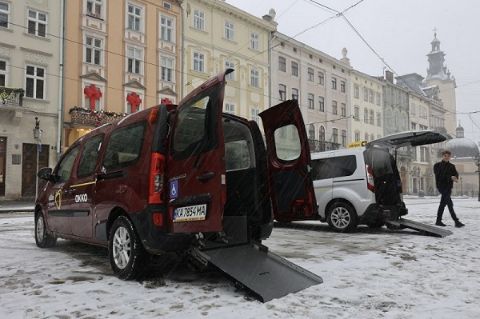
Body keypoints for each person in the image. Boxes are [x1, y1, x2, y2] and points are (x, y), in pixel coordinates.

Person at [433, 150, 465, 227]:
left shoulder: (452, 166)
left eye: (448, 156)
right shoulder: (437, 165)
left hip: (448, 187)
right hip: (441, 187)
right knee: (450, 204)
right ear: (442, 156)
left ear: (450, 157)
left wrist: (456, 178)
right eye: (445, 156)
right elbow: (439, 175)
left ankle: (438, 221)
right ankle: (456, 221)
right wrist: (450, 177)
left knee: (442, 204)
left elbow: (456, 174)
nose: (447, 157)